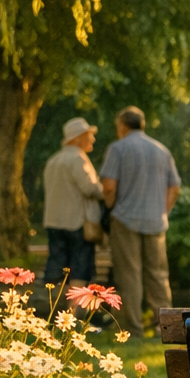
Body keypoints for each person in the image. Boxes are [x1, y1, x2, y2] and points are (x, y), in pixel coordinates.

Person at [99, 106, 181, 335]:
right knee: (158, 275)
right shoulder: (162, 150)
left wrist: (110, 207)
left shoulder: (117, 149)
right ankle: (166, 329)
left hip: (125, 219)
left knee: (129, 275)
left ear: (123, 125)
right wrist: (162, 210)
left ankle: (132, 329)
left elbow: (108, 186)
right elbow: (175, 187)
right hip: (156, 221)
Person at [42, 117, 105, 294]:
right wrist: (106, 192)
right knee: (80, 267)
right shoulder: (78, 159)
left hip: (54, 221)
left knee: (56, 266)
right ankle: (74, 315)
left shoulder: (54, 160)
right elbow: (89, 188)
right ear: (77, 138)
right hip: (77, 223)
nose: (92, 139)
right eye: (88, 135)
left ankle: (53, 311)